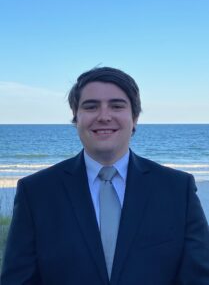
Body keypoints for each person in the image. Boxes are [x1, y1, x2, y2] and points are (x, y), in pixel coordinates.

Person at [1, 67, 209, 285]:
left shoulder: (177, 189)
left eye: (117, 106)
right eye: (91, 107)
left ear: (134, 117)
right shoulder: (36, 192)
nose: (104, 116)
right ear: (76, 117)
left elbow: (198, 278)